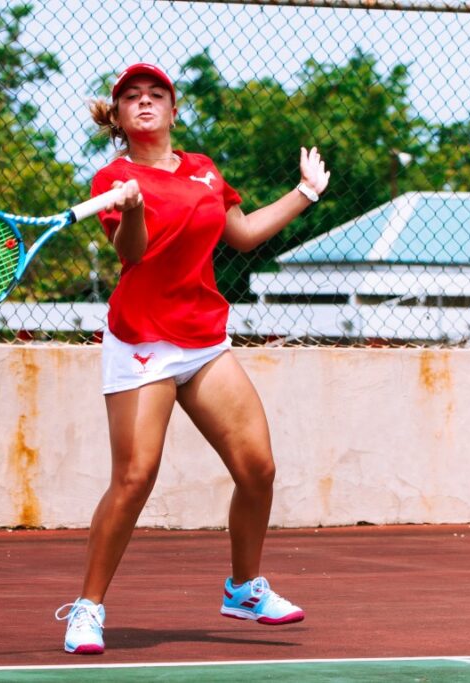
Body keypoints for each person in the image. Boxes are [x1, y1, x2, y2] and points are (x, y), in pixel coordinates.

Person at [54, 63, 331, 655]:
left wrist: (306, 193)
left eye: (157, 94)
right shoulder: (114, 177)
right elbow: (135, 256)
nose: (145, 102)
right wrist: (129, 208)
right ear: (121, 118)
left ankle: (244, 588)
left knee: (258, 468)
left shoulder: (204, 169)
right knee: (134, 478)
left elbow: (244, 234)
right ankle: (87, 608)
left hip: (203, 340)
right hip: (142, 342)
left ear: (174, 111)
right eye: (132, 97)